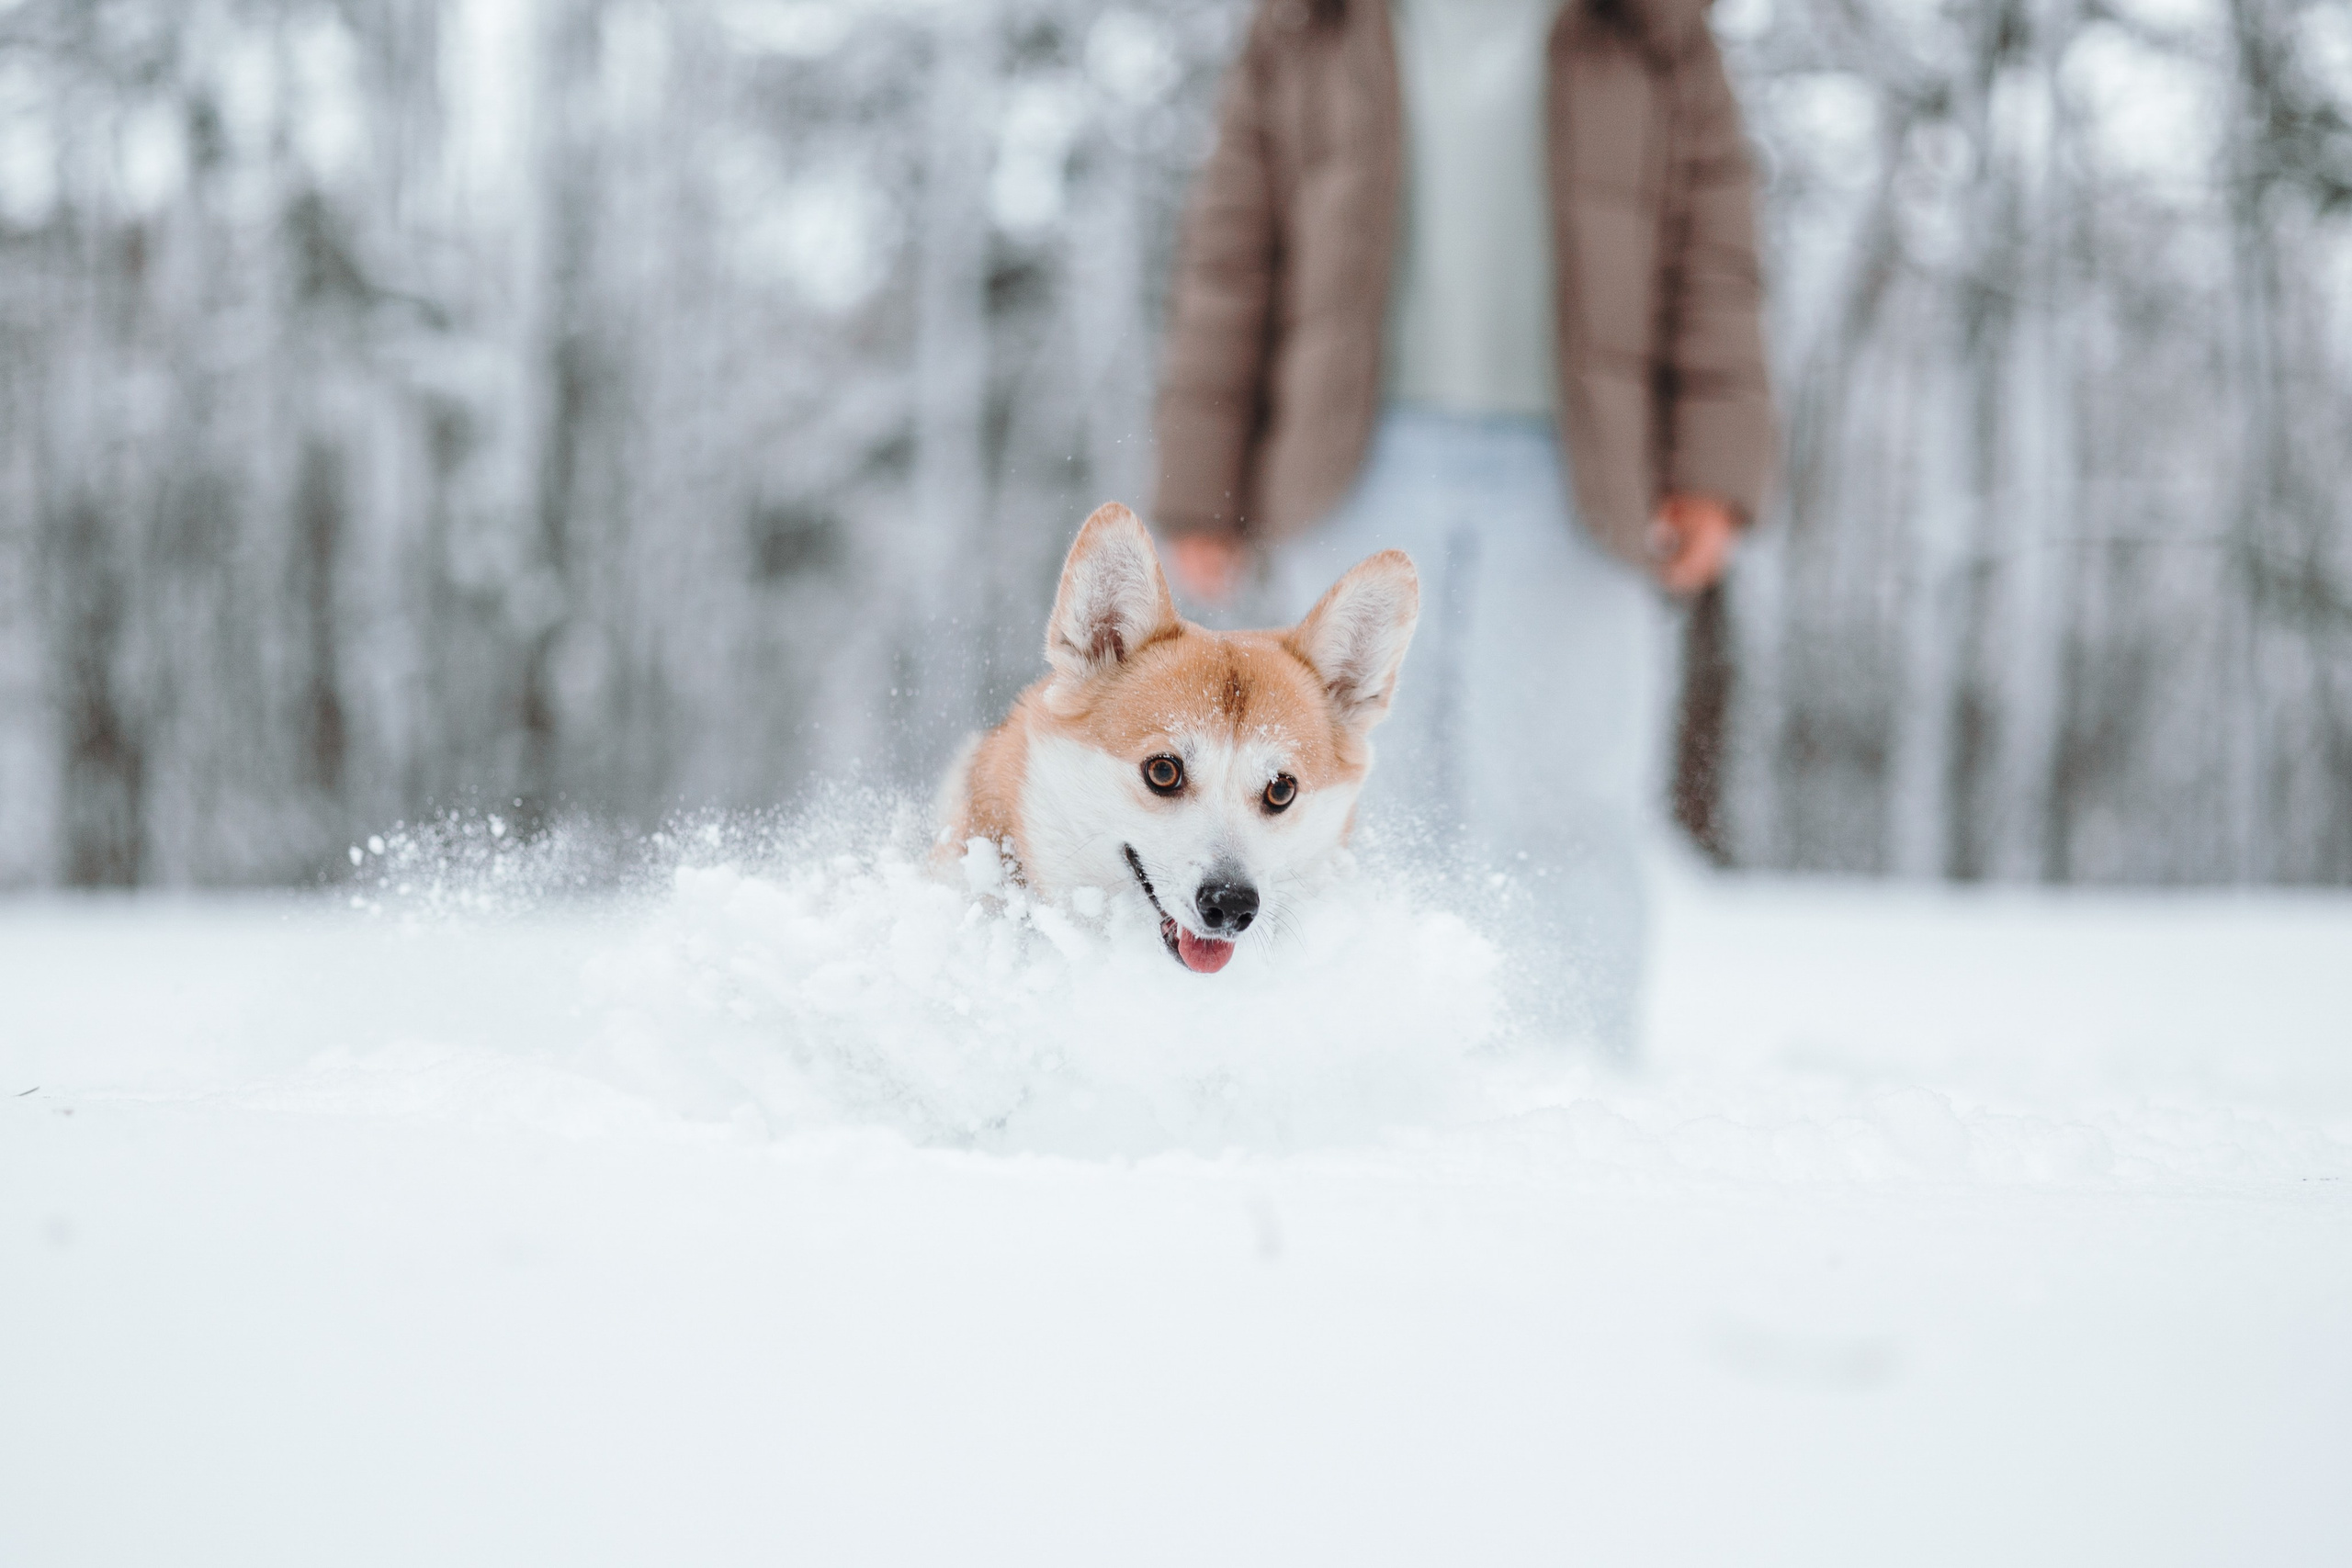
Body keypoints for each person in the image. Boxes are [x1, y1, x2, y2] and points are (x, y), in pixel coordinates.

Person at [1149, 0, 1775, 1052]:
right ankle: (1361, 1053)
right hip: (1352, 459)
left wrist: (1711, 472)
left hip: (1582, 468)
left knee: (1564, 788)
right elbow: (1233, 242)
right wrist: (1201, 479)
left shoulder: (1652, 28)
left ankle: (1575, 1073)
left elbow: (1715, 246)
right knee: (1353, 793)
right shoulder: (1308, 24)